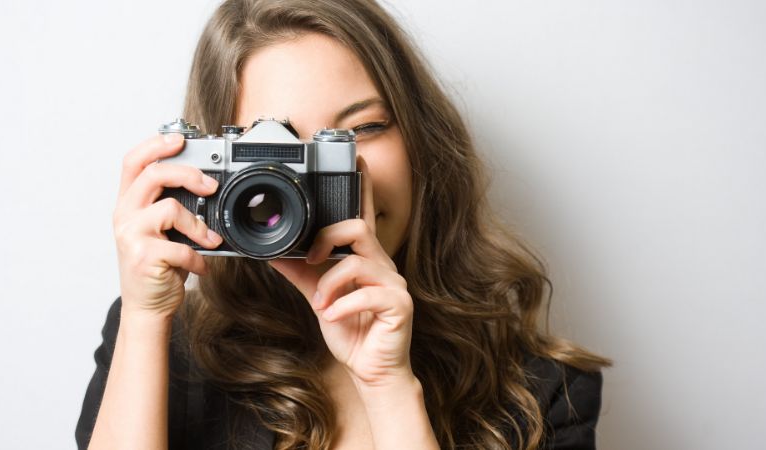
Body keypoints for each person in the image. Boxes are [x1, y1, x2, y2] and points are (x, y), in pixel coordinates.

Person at [76, 0, 611, 449]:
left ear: (421, 136)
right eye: (278, 149)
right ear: (214, 171)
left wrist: (389, 387)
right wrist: (145, 321)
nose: (338, 177)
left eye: (364, 128)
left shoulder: (545, 392)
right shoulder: (166, 345)